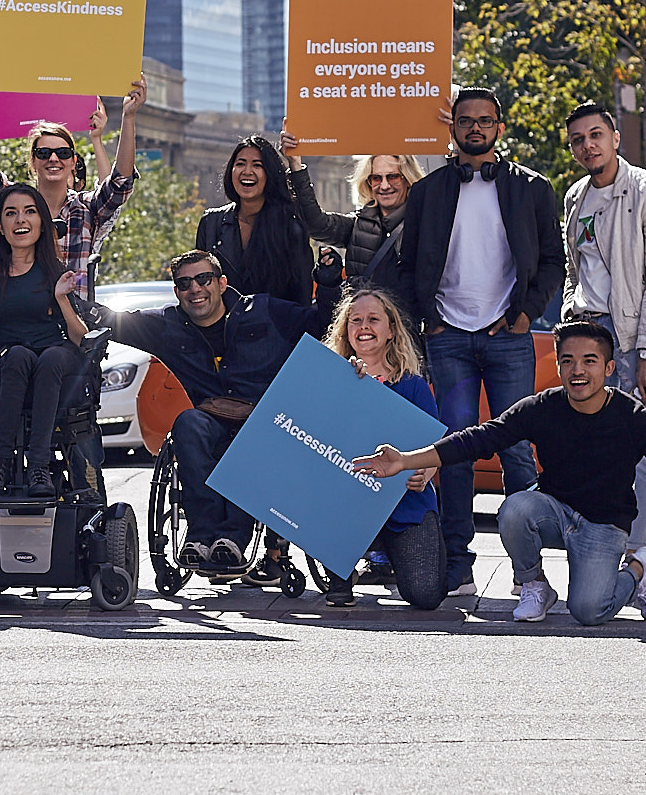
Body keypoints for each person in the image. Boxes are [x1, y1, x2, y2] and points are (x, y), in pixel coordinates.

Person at [356, 320, 646, 625]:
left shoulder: (631, 417)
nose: (579, 371)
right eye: (569, 361)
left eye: (590, 361)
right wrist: (406, 460)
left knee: (588, 612)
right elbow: (478, 439)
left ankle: (639, 570)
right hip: (554, 512)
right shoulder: (542, 407)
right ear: (558, 367)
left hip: (604, 526)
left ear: (609, 369)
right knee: (516, 510)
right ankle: (534, 584)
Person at [389, 86, 565, 597]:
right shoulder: (428, 192)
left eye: (485, 120)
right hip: (448, 336)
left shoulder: (531, 188)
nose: (475, 128)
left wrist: (524, 314)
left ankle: (528, 573)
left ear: (499, 129)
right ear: (454, 128)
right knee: (455, 450)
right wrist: (430, 320)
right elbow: (410, 264)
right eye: (465, 120)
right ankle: (458, 565)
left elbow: (553, 260)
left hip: (509, 337)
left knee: (515, 449)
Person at [105, 250, 336, 575]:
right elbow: (110, 321)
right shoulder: (166, 324)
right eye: (184, 283)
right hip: (208, 424)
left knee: (259, 430)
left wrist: (327, 284)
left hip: (261, 425)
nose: (195, 289)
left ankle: (233, 539)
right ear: (176, 291)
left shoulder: (266, 311)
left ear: (222, 283)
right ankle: (200, 536)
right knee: (187, 422)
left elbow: (322, 322)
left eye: (203, 279)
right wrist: (62, 292)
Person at [558, 101, 646, 578]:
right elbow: (575, 268)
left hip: (627, 334)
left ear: (614, 137)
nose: (588, 145)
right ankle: (595, 546)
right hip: (584, 327)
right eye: (578, 141)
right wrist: (570, 314)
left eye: (595, 135)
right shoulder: (575, 197)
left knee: (641, 447)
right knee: (585, 444)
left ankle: (639, 550)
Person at [0, 185, 91, 499]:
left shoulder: (54, 270)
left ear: (41, 223)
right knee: (19, 356)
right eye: (11, 213)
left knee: (48, 358)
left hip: (56, 354)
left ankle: (38, 465)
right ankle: (0, 462)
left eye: (29, 211)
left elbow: (79, 337)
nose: (20, 220)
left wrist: (62, 299)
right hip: (8, 357)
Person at [0, 61, 148, 287]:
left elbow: (120, 184)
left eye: (63, 153)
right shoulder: (15, 203)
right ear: (33, 161)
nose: (53, 159)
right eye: (43, 153)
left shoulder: (87, 208)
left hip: (74, 319)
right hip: (26, 318)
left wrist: (129, 118)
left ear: (73, 163)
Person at [319, 288, 443, 610]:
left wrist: (425, 473)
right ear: (345, 330)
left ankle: (389, 548)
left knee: (426, 595)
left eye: (373, 319)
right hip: (345, 504)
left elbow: (435, 446)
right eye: (355, 320)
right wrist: (350, 386)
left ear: (391, 331)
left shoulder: (413, 384)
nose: (364, 326)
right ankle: (340, 573)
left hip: (403, 502)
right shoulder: (328, 378)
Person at [195, 135, 319, 307]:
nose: (247, 171)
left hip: (273, 329)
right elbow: (199, 285)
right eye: (240, 164)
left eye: (257, 165)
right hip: (220, 331)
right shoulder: (211, 223)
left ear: (270, 174)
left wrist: (296, 165)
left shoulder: (290, 225)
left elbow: (301, 297)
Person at [288, 144, 421, 285]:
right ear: (368, 182)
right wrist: (296, 166)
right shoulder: (358, 226)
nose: (384, 186)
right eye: (376, 178)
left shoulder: (425, 223)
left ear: (407, 179)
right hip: (364, 306)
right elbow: (316, 225)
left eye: (393, 177)